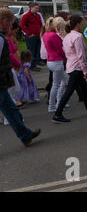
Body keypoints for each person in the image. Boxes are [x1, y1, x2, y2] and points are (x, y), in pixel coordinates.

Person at [0, 9, 41, 146]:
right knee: (10, 110)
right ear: (5, 22)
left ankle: (25, 135)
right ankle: (25, 135)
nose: (11, 26)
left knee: (11, 111)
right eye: (11, 23)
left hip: (2, 84)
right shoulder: (0, 39)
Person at [51, 16, 87, 123]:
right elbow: (80, 55)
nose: (82, 25)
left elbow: (66, 50)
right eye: (81, 23)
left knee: (84, 89)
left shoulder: (67, 36)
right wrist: (84, 70)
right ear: (78, 24)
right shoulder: (77, 37)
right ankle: (57, 114)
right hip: (76, 68)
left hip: (71, 66)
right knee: (69, 91)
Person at [43, 17, 68, 113]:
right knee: (60, 83)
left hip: (50, 60)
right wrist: (66, 58)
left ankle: (56, 104)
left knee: (58, 83)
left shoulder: (46, 34)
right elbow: (60, 49)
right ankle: (54, 105)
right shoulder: (54, 36)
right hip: (57, 61)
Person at [19, 3, 44, 71]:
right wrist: (28, 33)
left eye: (38, 8)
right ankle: (31, 66)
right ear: (31, 8)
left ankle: (34, 65)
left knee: (37, 51)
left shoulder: (38, 15)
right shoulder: (26, 15)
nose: (37, 9)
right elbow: (21, 25)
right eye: (36, 8)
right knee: (31, 51)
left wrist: (41, 33)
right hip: (31, 37)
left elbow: (41, 24)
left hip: (38, 35)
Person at [7, 19, 23, 107]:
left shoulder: (8, 39)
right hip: (9, 68)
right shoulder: (6, 39)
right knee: (12, 91)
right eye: (14, 31)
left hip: (11, 67)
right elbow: (10, 54)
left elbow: (14, 51)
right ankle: (9, 119)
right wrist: (18, 64)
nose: (14, 34)